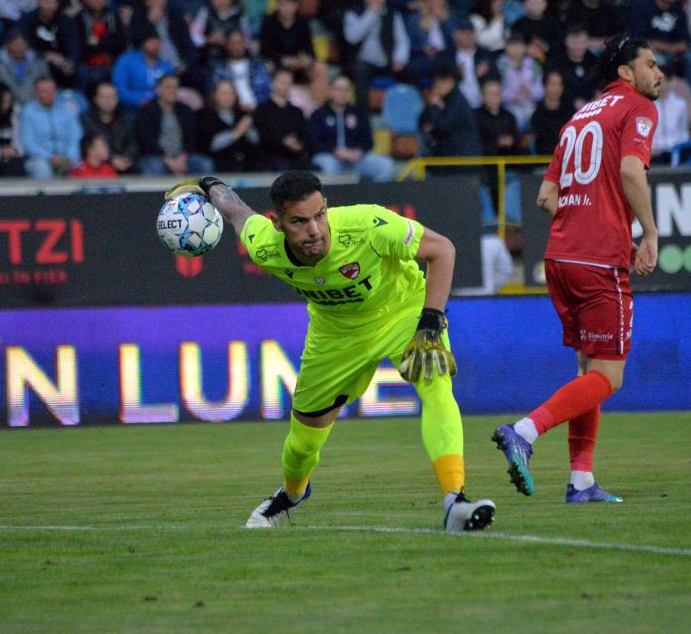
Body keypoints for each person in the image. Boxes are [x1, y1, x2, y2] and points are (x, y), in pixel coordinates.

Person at [164, 171, 496, 532]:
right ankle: (292, 493)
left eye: (319, 215)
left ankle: (455, 501)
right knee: (303, 442)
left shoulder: (368, 225)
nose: (314, 230)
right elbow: (235, 210)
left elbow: (442, 250)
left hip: (402, 312)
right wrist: (209, 184)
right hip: (335, 335)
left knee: (436, 385)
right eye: (299, 221)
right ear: (277, 224)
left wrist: (430, 322)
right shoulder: (264, 246)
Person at [492, 35, 663, 502]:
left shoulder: (578, 117)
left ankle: (582, 481)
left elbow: (547, 197)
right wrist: (648, 233)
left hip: (559, 257)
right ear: (625, 73)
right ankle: (524, 432)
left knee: (589, 371)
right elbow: (632, 171)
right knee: (610, 377)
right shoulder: (638, 109)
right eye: (650, 64)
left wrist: (589, 218)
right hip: (597, 259)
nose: (659, 73)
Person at [307, 74, 395, 181]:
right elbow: (313, 143)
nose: (342, 93)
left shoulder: (358, 113)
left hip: (356, 158)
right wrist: (336, 151)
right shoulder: (319, 114)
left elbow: (368, 141)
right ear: (331, 90)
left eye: (346, 90)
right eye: (339, 89)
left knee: (386, 165)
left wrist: (358, 151)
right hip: (330, 156)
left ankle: (374, 196)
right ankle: (333, 197)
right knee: (329, 167)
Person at [136, 73, 212, 176]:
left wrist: (183, 158)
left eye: (175, 87)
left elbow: (192, 137)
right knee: (154, 167)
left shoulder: (185, 110)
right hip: (157, 157)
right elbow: (147, 141)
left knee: (205, 164)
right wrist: (168, 161)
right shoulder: (146, 111)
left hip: (183, 157)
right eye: (168, 87)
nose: (172, 91)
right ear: (158, 90)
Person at [20, 75, 83, 179]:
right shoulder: (28, 113)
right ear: (36, 93)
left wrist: (70, 157)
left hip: (66, 157)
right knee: (42, 168)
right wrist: (50, 158)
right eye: (44, 91)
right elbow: (29, 143)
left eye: (52, 91)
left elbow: (75, 138)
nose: (49, 94)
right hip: (40, 159)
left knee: (81, 167)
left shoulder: (68, 110)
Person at [418, 61, 480, 158]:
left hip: (461, 158)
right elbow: (422, 122)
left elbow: (442, 126)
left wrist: (434, 107)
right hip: (448, 155)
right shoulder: (442, 99)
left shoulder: (457, 101)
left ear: (450, 82)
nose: (435, 87)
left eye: (438, 83)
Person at [254, 68, 310, 170]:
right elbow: (263, 137)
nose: (286, 86)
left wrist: (298, 144)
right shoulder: (262, 110)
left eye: (289, 83)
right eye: (282, 82)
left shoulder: (296, 111)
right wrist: (283, 141)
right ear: (273, 83)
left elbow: (304, 133)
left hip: (295, 156)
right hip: (271, 158)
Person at [197, 79, 258, 172]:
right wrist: (236, 133)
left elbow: (256, 140)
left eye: (231, 93)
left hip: (245, 163)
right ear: (214, 95)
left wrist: (248, 129)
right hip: (218, 164)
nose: (228, 97)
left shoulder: (242, 114)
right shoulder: (204, 115)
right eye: (223, 93)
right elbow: (211, 145)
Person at [80, 81, 137, 174]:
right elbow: (92, 145)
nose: (108, 101)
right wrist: (112, 159)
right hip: (100, 163)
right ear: (96, 99)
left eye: (112, 97)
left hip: (125, 163)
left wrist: (127, 157)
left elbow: (133, 143)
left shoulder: (127, 117)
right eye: (104, 97)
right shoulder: (87, 118)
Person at [112, 27, 174, 109]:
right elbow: (119, 87)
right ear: (143, 43)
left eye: (158, 42)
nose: (155, 45)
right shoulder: (127, 60)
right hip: (130, 109)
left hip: (158, 110)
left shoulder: (166, 66)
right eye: (151, 41)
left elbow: (171, 90)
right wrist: (139, 101)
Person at [531, 69, 575, 154]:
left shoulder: (569, 111)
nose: (556, 89)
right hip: (544, 162)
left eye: (560, 85)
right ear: (545, 85)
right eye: (553, 84)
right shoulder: (538, 114)